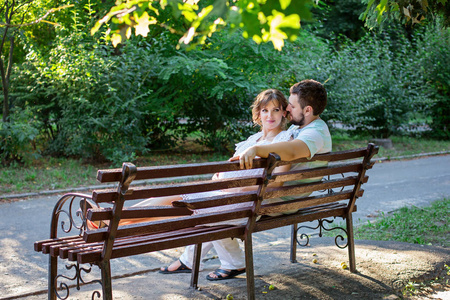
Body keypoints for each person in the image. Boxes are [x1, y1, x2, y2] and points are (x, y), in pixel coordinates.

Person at [162, 79, 332, 280]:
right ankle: (195, 261)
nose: (287, 108)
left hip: (281, 199)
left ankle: (228, 262)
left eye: (292, 106)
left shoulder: (314, 133)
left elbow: (292, 150)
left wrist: (257, 150)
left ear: (307, 110)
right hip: (275, 194)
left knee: (210, 207)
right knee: (209, 203)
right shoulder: (302, 127)